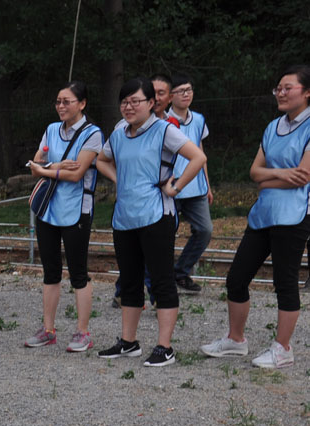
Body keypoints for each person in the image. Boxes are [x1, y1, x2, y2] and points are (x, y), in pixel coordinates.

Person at [201, 65, 310, 369]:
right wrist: (279, 175)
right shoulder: (273, 126)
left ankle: (283, 348)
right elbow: (254, 173)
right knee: (236, 277)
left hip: (295, 214)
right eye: (279, 87)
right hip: (264, 213)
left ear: (307, 92)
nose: (281, 92)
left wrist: (268, 178)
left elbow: (304, 178)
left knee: (285, 283)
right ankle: (236, 340)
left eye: (288, 87)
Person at [94, 77, 207, 367]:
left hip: (157, 215)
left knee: (161, 280)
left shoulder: (164, 130)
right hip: (124, 217)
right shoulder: (119, 133)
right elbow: (101, 160)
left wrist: (176, 187)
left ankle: (164, 347)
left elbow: (197, 157)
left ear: (151, 104)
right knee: (130, 280)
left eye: (135, 101)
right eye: (124, 101)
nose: (129, 107)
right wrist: (122, 179)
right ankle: (128, 342)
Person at [25, 80, 103, 352]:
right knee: (50, 271)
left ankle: (82, 332)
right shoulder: (50, 130)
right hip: (48, 209)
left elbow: (77, 173)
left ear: (82, 104)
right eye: (58, 101)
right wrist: (55, 166)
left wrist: (45, 168)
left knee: (78, 272)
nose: (61, 106)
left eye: (67, 101)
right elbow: (34, 164)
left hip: (77, 210)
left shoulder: (93, 134)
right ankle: (48, 329)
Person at [167, 73, 213, 293]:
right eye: (181, 91)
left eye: (189, 90)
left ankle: (181, 272)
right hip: (171, 187)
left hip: (196, 187)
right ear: (170, 95)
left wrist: (208, 183)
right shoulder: (163, 121)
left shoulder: (199, 119)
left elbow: (199, 151)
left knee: (205, 230)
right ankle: (160, 279)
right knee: (164, 234)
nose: (186, 94)